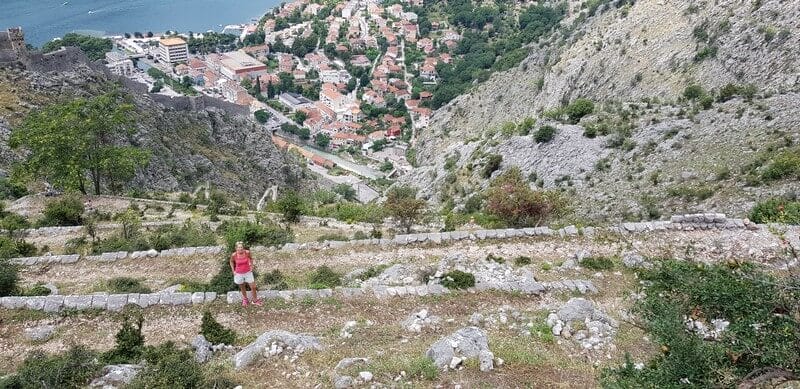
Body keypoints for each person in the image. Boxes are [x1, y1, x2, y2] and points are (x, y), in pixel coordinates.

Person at [230, 241, 262, 307]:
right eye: (239, 247)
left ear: (243, 247)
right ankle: (245, 299)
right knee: (242, 287)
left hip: (248, 272)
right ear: (236, 248)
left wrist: (252, 266)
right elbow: (231, 262)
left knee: (253, 287)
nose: (240, 249)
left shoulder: (247, 252)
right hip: (239, 273)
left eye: (241, 247)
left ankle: (255, 300)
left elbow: (251, 258)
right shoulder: (234, 255)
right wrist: (233, 271)